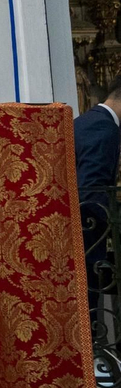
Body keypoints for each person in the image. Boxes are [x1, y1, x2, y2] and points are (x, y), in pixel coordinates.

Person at [74, 75, 121, 368]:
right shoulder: (104, 130)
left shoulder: (86, 122)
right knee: (88, 314)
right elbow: (93, 191)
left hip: (78, 235)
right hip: (86, 240)